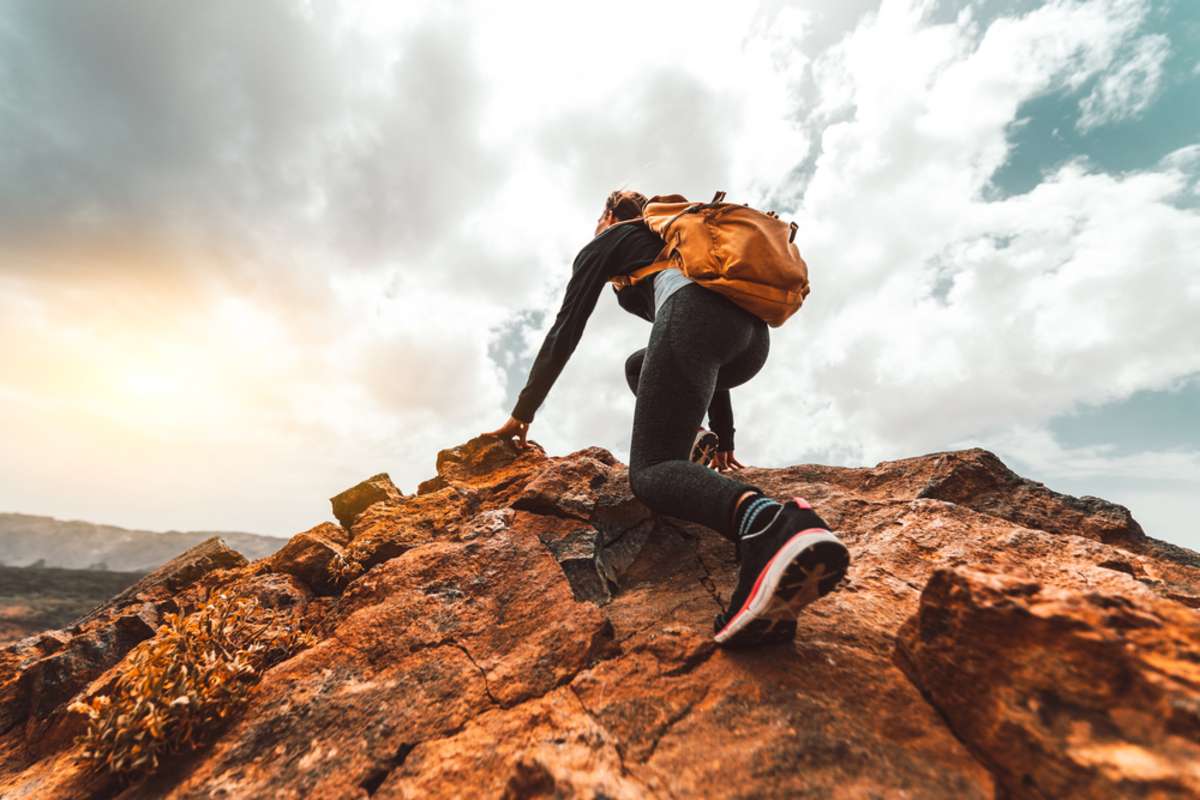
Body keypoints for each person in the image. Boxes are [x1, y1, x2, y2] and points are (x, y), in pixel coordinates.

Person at [485, 190, 849, 647]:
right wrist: (723, 435)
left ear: (607, 215)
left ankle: (771, 525)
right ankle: (699, 449)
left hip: (695, 320)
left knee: (653, 471)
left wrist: (524, 411)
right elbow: (705, 348)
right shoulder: (670, 239)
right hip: (750, 341)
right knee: (640, 365)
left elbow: (566, 327)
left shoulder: (610, 240)